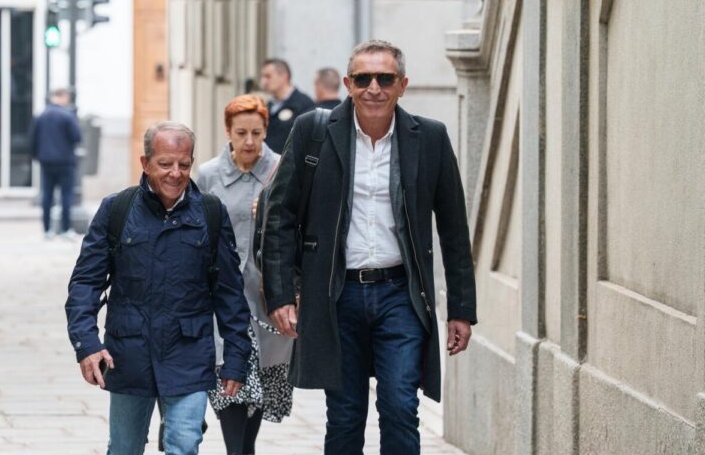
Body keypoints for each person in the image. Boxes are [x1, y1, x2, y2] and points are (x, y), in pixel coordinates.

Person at [260, 40, 477, 455]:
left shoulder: (429, 138)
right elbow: (280, 215)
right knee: (344, 415)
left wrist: (461, 309)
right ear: (348, 83)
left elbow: (453, 227)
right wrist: (282, 294)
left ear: (402, 85)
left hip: (401, 296)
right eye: (363, 78)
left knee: (399, 405)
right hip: (336, 297)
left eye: (385, 78)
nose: (373, 87)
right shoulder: (314, 132)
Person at [65, 121, 252, 455]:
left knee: (184, 443)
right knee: (124, 447)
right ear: (145, 163)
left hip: (189, 353)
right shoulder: (117, 210)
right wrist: (86, 344)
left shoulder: (210, 213)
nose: (175, 173)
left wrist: (238, 357)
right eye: (165, 164)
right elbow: (85, 283)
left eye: (184, 164)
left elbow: (229, 293)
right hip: (128, 353)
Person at [198, 94, 294, 455]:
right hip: (222, 295)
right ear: (228, 132)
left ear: (266, 131)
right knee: (230, 379)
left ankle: (244, 449)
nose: (250, 142)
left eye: (257, 132)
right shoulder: (208, 174)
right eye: (241, 133)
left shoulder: (282, 169)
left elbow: (297, 228)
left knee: (261, 386)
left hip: (267, 296)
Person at [29, 88, 82, 239]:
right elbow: (77, 137)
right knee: (66, 195)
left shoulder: (41, 115)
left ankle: (47, 230)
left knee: (47, 195)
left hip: (46, 161)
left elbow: (32, 139)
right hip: (65, 161)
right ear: (63, 97)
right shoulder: (68, 116)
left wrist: (36, 156)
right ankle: (65, 229)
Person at [259, 58, 315, 153]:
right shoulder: (268, 105)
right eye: (262, 76)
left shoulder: (304, 104)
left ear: (284, 76)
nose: (263, 81)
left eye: (268, 76)